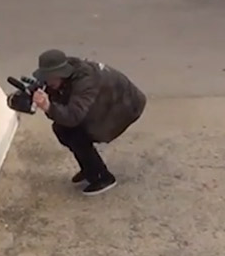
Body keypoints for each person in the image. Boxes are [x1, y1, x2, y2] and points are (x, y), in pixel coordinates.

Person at [30, 49, 147, 196]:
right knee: (62, 129)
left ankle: (103, 178)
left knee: (76, 133)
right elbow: (61, 108)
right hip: (107, 99)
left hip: (125, 105)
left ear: (62, 73)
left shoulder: (85, 81)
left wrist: (48, 106)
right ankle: (89, 168)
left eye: (51, 78)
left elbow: (73, 116)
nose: (47, 82)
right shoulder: (67, 77)